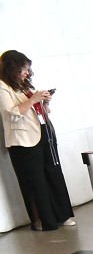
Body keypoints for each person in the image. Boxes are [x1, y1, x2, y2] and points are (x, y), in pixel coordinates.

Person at [0, 50, 75, 231]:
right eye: (23, 68)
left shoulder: (23, 85)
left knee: (53, 174)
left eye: (27, 69)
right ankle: (42, 220)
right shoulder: (3, 87)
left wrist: (45, 102)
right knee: (34, 181)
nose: (27, 72)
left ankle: (62, 215)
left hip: (43, 133)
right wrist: (33, 99)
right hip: (23, 141)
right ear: (12, 68)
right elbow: (12, 113)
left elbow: (39, 112)